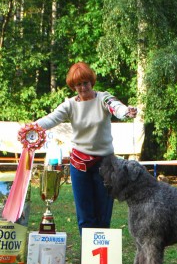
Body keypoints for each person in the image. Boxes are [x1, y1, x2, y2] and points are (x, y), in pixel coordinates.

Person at [35, 62, 137, 235]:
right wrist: (32, 127)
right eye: (78, 84)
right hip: (79, 165)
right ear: (73, 86)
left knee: (103, 216)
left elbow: (116, 107)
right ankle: (87, 259)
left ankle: (102, 255)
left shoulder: (103, 98)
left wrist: (126, 111)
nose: (82, 88)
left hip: (106, 165)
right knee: (84, 216)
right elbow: (51, 119)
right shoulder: (69, 105)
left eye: (85, 83)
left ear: (92, 82)